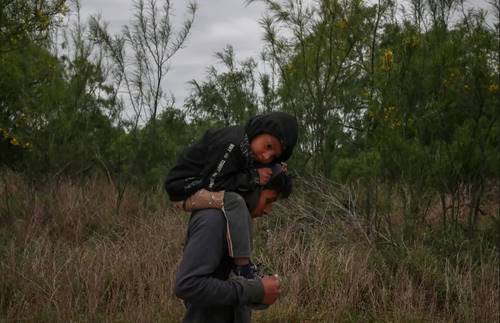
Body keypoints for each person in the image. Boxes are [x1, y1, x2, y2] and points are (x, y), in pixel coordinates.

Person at [165, 112, 298, 277]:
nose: (266, 156)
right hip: (184, 187)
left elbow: (236, 172)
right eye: (268, 146)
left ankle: (239, 267)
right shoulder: (232, 142)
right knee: (234, 202)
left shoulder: (248, 146)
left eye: (273, 156)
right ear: (258, 131)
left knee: (236, 203)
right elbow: (213, 184)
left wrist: (277, 168)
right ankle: (243, 266)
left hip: (207, 182)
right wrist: (253, 176)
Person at [175, 170, 292, 323]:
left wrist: (258, 288)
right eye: (268, 201)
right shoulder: (213, 220)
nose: (268, 211)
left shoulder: (234, 221)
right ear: (251, 189)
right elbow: (188, 285)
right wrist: (254, 290)